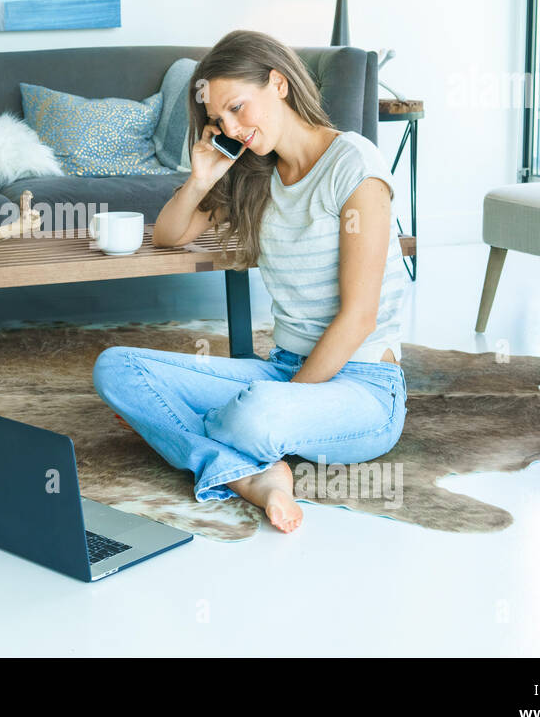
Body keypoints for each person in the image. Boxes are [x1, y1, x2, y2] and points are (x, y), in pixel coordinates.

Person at [92, 29, 409, 533]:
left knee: (257, 413)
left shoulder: (354, 165)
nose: (232, 128)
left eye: (238, 108)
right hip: (282, 370)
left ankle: (204, 442)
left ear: (278, 83)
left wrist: (286, 400)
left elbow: (359, 319)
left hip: (362, 384)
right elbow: (171, 236)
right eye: (219, 120)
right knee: (117, 369)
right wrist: (202, 177)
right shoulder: (254, 173)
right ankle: (253, 475)